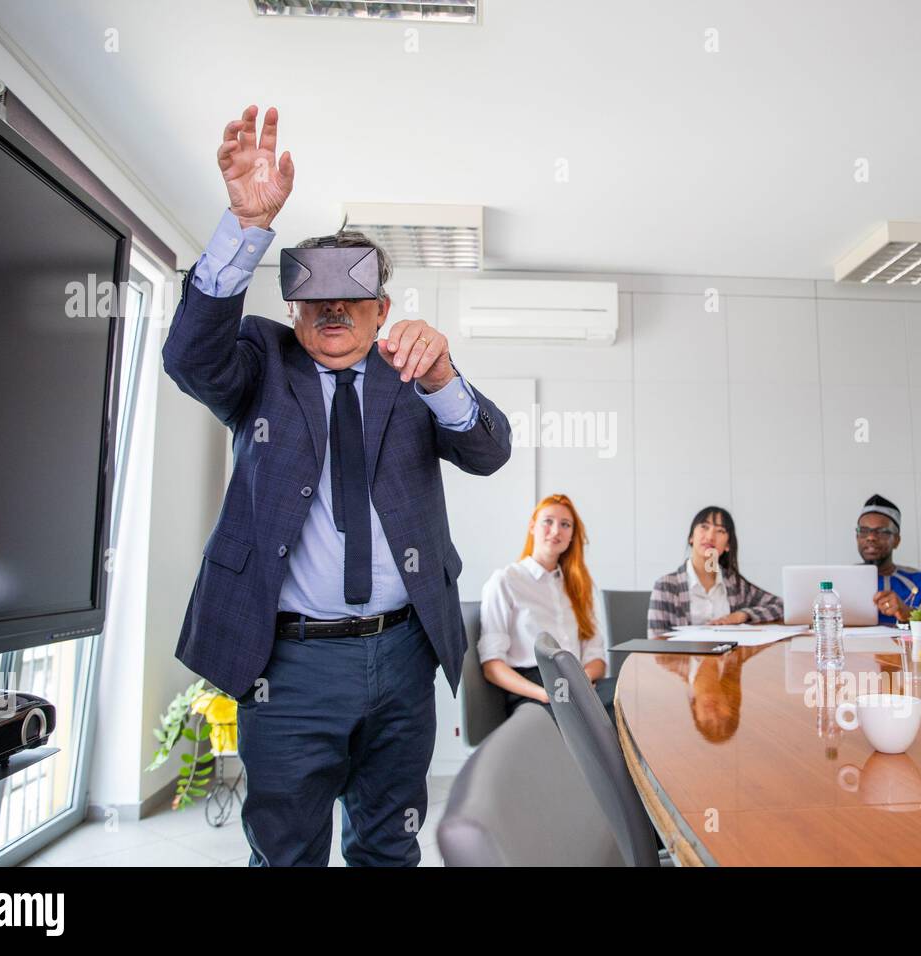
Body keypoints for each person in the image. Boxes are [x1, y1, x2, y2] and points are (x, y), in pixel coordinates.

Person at [162, 105, 512, 866]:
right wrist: (244, 226)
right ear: (291, 304)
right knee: (287, 852)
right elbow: (190, 356)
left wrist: (445, 377)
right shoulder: (260, 363)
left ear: (383, 310)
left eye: (352, 293)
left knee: (391, 845)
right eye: (313, 293)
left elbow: (490, 452)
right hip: (288, 667)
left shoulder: (412, 376)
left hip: (402, 655)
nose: (331, 308)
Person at [478, 494, 616, 724]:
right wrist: (544, 694)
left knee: (632, 698)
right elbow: (492, 666)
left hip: (578, 682)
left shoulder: (578, 587)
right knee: (591, 724)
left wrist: (579, 683)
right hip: (532, 690)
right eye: (548, 521)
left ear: (572, 536)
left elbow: (596, 659)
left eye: (565, 525)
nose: (556, 530)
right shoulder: (506, 581)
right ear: (532, 526)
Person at [647, 506, 783, 636]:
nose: (711, 536)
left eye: (720, 531)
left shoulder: (736, 584)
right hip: (683, 660)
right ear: (691, 537)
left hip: (728, 659)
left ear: (728, 545)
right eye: (704, 527)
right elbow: (655, 641)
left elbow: (780, 605)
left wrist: (742, 615)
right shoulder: (666, 586)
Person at [856, 494, 921, 627]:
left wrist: (908, 613)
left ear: (896, 540)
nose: (871, 537)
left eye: (881, 531)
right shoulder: (837, 582)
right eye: (864, 531)